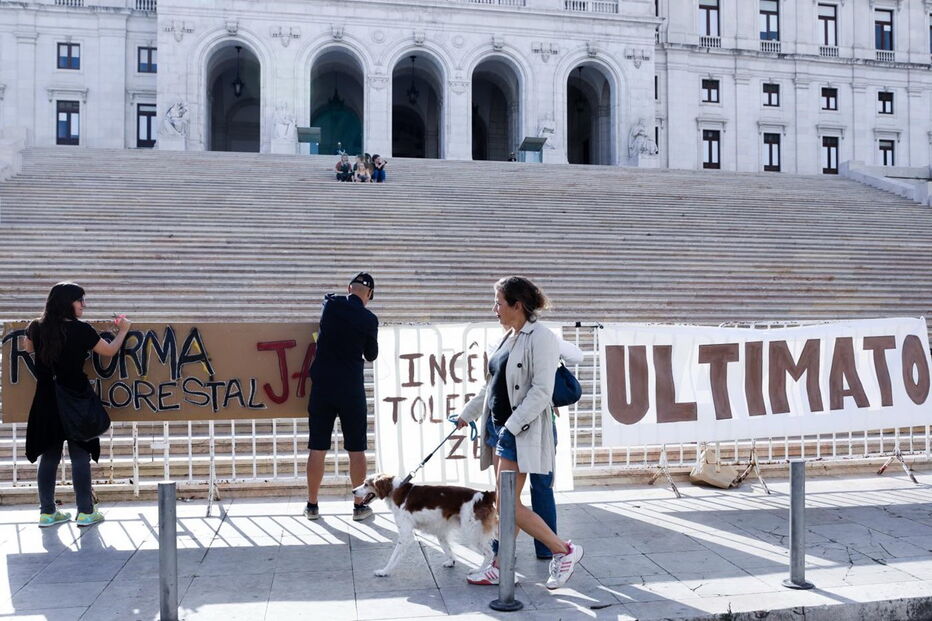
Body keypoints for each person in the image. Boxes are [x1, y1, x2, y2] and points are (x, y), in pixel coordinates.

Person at [456, 276, 583, 589]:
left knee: (508, 505)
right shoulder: (507, 337)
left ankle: (563, 551)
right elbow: (491, 387)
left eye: (499, 302)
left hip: (519, 432)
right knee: (505, 504)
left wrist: (511, 428)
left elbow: (542, 391)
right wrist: (465, 415)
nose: (494, 308)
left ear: (518, 305)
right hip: (500, 429)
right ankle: (500, 565)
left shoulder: (541, 338)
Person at [23, 282, 131, 528]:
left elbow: (28, 348)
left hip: (46, 398)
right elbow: (109, 351)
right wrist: (123, 330)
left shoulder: (35, 327)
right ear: (67, 302)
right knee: (80, 453)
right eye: (80, 300)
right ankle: (85, 512)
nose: (84, 304)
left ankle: (47, 513)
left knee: (49, 455)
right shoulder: (82, 330)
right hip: (76, 397)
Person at [305, 273, 379, 521]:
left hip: (323, 387)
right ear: (368, 295)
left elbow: (326, 303)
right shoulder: (369, 318)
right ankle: (359, 506)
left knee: (317, 447)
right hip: (351, 389)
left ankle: (312, 505)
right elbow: (371, 355)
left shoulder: (332, 304)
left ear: (349, 288)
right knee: (356, 450)